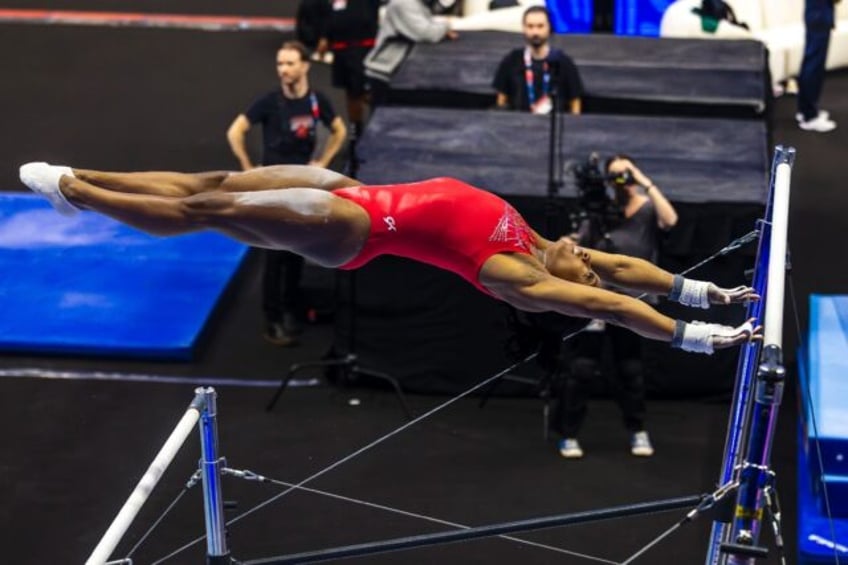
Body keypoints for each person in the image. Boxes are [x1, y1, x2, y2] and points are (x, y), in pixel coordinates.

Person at [20, 162, 760, 361]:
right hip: (355, 190)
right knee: (209, 184)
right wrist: (706, 293)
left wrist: (693, 338)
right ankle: (87, 180)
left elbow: (612, 304)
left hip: (351, 227)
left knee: (208, 215)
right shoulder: (547, 247)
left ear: (558, 291)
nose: (587, 254)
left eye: (584, 268)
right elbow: (629, 278)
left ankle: (77, 192)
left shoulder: (520, 276)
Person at [555, 155, 678, 459]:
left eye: (625, 174)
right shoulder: (600, 213)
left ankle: (637, 430)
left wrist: (641, 179)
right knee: (582, 368)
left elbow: (670, 220)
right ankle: (568, 433)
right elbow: (578, 246)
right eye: (614, 176)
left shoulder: (647, 209)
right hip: (597, 301)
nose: (620, 180)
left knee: (630, 370)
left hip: (633, 303)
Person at [226, 41, 347, 347]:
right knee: (274, 254)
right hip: (273, 188)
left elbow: (340, 130)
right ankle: (273, 318)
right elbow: (235, 131)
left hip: (303, 186)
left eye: (290, 63)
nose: (284, 70)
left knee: (298, 250)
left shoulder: (317, 101)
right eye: (280, 64)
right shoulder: (269, 101)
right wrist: (248, 167)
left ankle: (293, 306)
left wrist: (323, 161)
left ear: (305, 65)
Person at [364, 0, 459, 106]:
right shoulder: (403, 3)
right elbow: (426, 33)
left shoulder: (416, 3)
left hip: (398, 70)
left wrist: (441, 28)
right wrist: (446, 26)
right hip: (385, 73)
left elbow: (428, 23)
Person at [493, 6, 583, 115]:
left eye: (540, 26)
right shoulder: (512, 60)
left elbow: (575, 102)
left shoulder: (563, 62)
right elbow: (502, 99)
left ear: (549, 27)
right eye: (530, 26)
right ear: (524, 28)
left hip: (553, 127)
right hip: (517, 126)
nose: (535, 32)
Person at [315, 0, 381, 139]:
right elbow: (330, 15)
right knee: (351, 94)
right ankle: (355, 134)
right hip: (342, 50)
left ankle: (378, 128)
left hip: (364, 49)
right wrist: (324, 37)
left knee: (367, 94)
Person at [796, 0, 838, 132]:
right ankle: (810, 116)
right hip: (819, 14)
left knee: (811, 61)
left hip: (817, 13)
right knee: (814, 65)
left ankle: (805, 110)